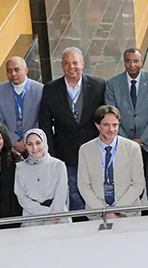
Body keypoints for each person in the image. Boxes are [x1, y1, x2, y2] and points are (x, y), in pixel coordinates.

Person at [38, 47, 107, 211]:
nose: (71, 67)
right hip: (65, 153)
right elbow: (45, 124)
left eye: (75, 63)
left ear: (82, 63)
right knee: (73, 193)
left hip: (94, 151)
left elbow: (105, 118)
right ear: (62, 65)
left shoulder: (99, 85)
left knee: (96, 189)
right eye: (67, 63)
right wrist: (51, 154)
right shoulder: (50, 89)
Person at [77, 105, 145, 218]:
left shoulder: (132, 148)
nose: (111, 130)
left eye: (115, 125)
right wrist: (105, 212)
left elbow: (138, 184)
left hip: (128, 213)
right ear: (97, 125)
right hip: (97, 215)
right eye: (106, 125)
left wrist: (117, 210)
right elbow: (83, 185)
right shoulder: (85, 150)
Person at [106, 48, 148, 169]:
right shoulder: (112, 83)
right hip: (123, 143)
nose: (132, 65)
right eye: (128, 61)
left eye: (136, 61)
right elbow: (111, 115)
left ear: (142, 62)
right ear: (124, 62)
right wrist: (128, 141)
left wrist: (142, 140)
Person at [14, 128, 71, 227]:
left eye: (38, 143)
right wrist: (45, 213)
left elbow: (61, 193)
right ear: (25, 146)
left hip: (58, 217)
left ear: (44, 142)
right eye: (30, 144)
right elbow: (21, 197)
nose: (34, 148)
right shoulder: (20, 168)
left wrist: (54, 214)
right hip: (32, 218)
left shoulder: (58, 165)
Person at [0, 56, 43, 156]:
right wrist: (14, 141)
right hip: (9, 147)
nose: (13, 74)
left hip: (35, 146)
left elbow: (41, 119)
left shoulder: (40, 90)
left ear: (26, 70)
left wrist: (28, 140)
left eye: (16, 70)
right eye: (9, 71)